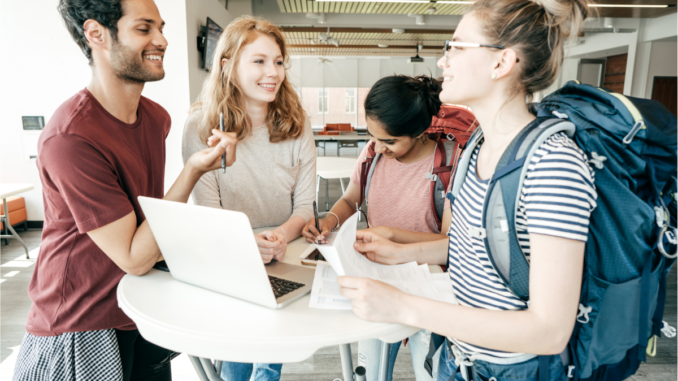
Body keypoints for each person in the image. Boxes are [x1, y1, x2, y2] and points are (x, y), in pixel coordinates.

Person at [337, 0, 598, 380]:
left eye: (456, 47)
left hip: (511, 369)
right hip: (457, 358)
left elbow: (550, 330)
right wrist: (396, 249)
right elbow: (467, 244)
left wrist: (404, 307)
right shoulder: (476, 147)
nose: (444, 61)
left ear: (501, 63)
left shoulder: (551, 163)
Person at [13, 0, 237, 380]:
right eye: (144, 28)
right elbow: (133, 255)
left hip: (138, 307)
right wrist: (194, 170)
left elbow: (144, 223)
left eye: (161, 28)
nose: (162, 40)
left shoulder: (155, 120)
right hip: (82, 322)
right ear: (96, 34)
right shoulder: (71, 138)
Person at [302, 75, 472, 381]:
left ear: (420, 131)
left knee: (429, 374)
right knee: (370, 373)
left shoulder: (450, 161)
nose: (379, 147)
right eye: (373, 136)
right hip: (376, 277)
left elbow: (448, 241)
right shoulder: (371, 153)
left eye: (390, 141)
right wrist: (329, 221)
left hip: (426, 288)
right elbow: (350, 199)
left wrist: (390, 237)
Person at [181, 16, 315, 381]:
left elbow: (305, 206)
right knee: (238, 357)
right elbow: (208, 210)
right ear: (227, 65)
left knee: (269, 357)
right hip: (230, 252)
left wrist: (281, 236)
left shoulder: (297, 125)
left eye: (278, 61)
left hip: (284, 251)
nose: (273, 72)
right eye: (259, 61)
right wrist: (246, 243)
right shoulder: (200, 126)